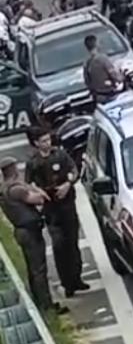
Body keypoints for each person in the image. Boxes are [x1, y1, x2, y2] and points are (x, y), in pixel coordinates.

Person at [25, 128, 89, 300]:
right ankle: (67, 282)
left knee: (72, 241)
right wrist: (39, 192)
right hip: (51, 208)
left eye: (48, 139)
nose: (48, 143)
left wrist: (67, 184)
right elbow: (28, 182)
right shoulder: (33, 162)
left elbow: (74, 170)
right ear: (36, 143)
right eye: (43, 140)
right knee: (59, 245)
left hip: (67, 203)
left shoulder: (60, 155)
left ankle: (77, 278)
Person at [0, 156, 64, 313]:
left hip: (23, 231)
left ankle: (39, 301)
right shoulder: (16, 189)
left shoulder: (5, 188)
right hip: (30, 232)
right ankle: (46, 305)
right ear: (13, 169)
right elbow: (38, 200)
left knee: (33, 268)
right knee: (39, 270)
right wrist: (38, 191)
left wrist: (29, 186)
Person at [82, 34, 122, 104]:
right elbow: (113, 74)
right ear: (96, 44)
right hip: (111, 94)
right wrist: (121, 78)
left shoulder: (87, 63)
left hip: (98, 97)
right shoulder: (103, 59)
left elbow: (87, 81)